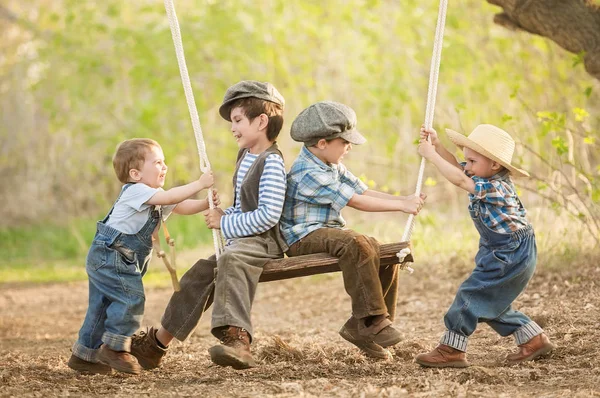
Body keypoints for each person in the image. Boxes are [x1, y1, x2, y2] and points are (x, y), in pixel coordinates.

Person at [130, 80, 287, 370]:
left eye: (238, 120)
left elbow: (269, 215)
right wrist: (224, 211)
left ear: (262, 121)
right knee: (200, 272)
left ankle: (239, 341)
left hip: (265, 242)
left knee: (230, 259)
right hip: (244, 241)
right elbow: (245, 206)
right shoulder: (246, 156)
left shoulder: (272, 163)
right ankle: (157, 344)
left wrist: (225, 222)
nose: (232, 127)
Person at [281, 101, 426, 359]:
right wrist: (401, 207)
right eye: (344, 142)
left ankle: (361, 327)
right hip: (302, 237)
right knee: (355, 243)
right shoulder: (307, 171)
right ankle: (373, 320)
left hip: (325, 233)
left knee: (381, 251)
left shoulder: (330, 164)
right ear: (323, 143)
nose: (349, 148)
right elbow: (355, 201)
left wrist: (402, 199)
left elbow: (362, 191)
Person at [68, 138, 215, 375]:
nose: (164, 166)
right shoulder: (136, 192)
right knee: (131, 298)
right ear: (135, 174)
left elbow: (179, 204)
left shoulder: (155, 196)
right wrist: (199, 183)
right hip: (111, 257)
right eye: (158, 162)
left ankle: (85, 355)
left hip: (114, 259)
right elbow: (170, 198)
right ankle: (115, 348)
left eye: (164, 161)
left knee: (101, 307)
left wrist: (205, 203)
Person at [414, 124, 555, 368]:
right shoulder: (481, 173)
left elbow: (458, 178)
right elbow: (457, 168)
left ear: (494, 165)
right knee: (490, 301)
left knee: (471, 295)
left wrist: (431, 156)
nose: (466, 166)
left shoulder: (496, 187)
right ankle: (533, 338)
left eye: (471, 161)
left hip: (510, 252)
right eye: (466, 161)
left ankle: (452, 349)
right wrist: (437, 146)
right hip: (502, 250)